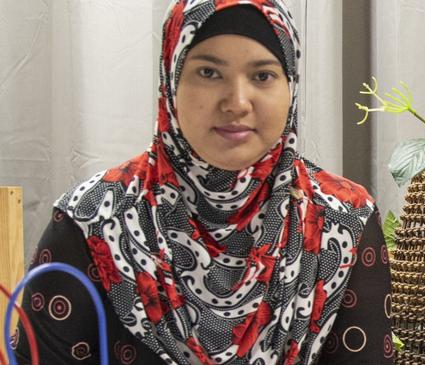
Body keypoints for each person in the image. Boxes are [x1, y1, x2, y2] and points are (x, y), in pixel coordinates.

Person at [13, 1, 394, 364]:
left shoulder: (343, 220)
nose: (237, 102)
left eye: (263, 75)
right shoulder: (90, 219)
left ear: (290, 86)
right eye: (209, 73)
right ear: (171, 80)